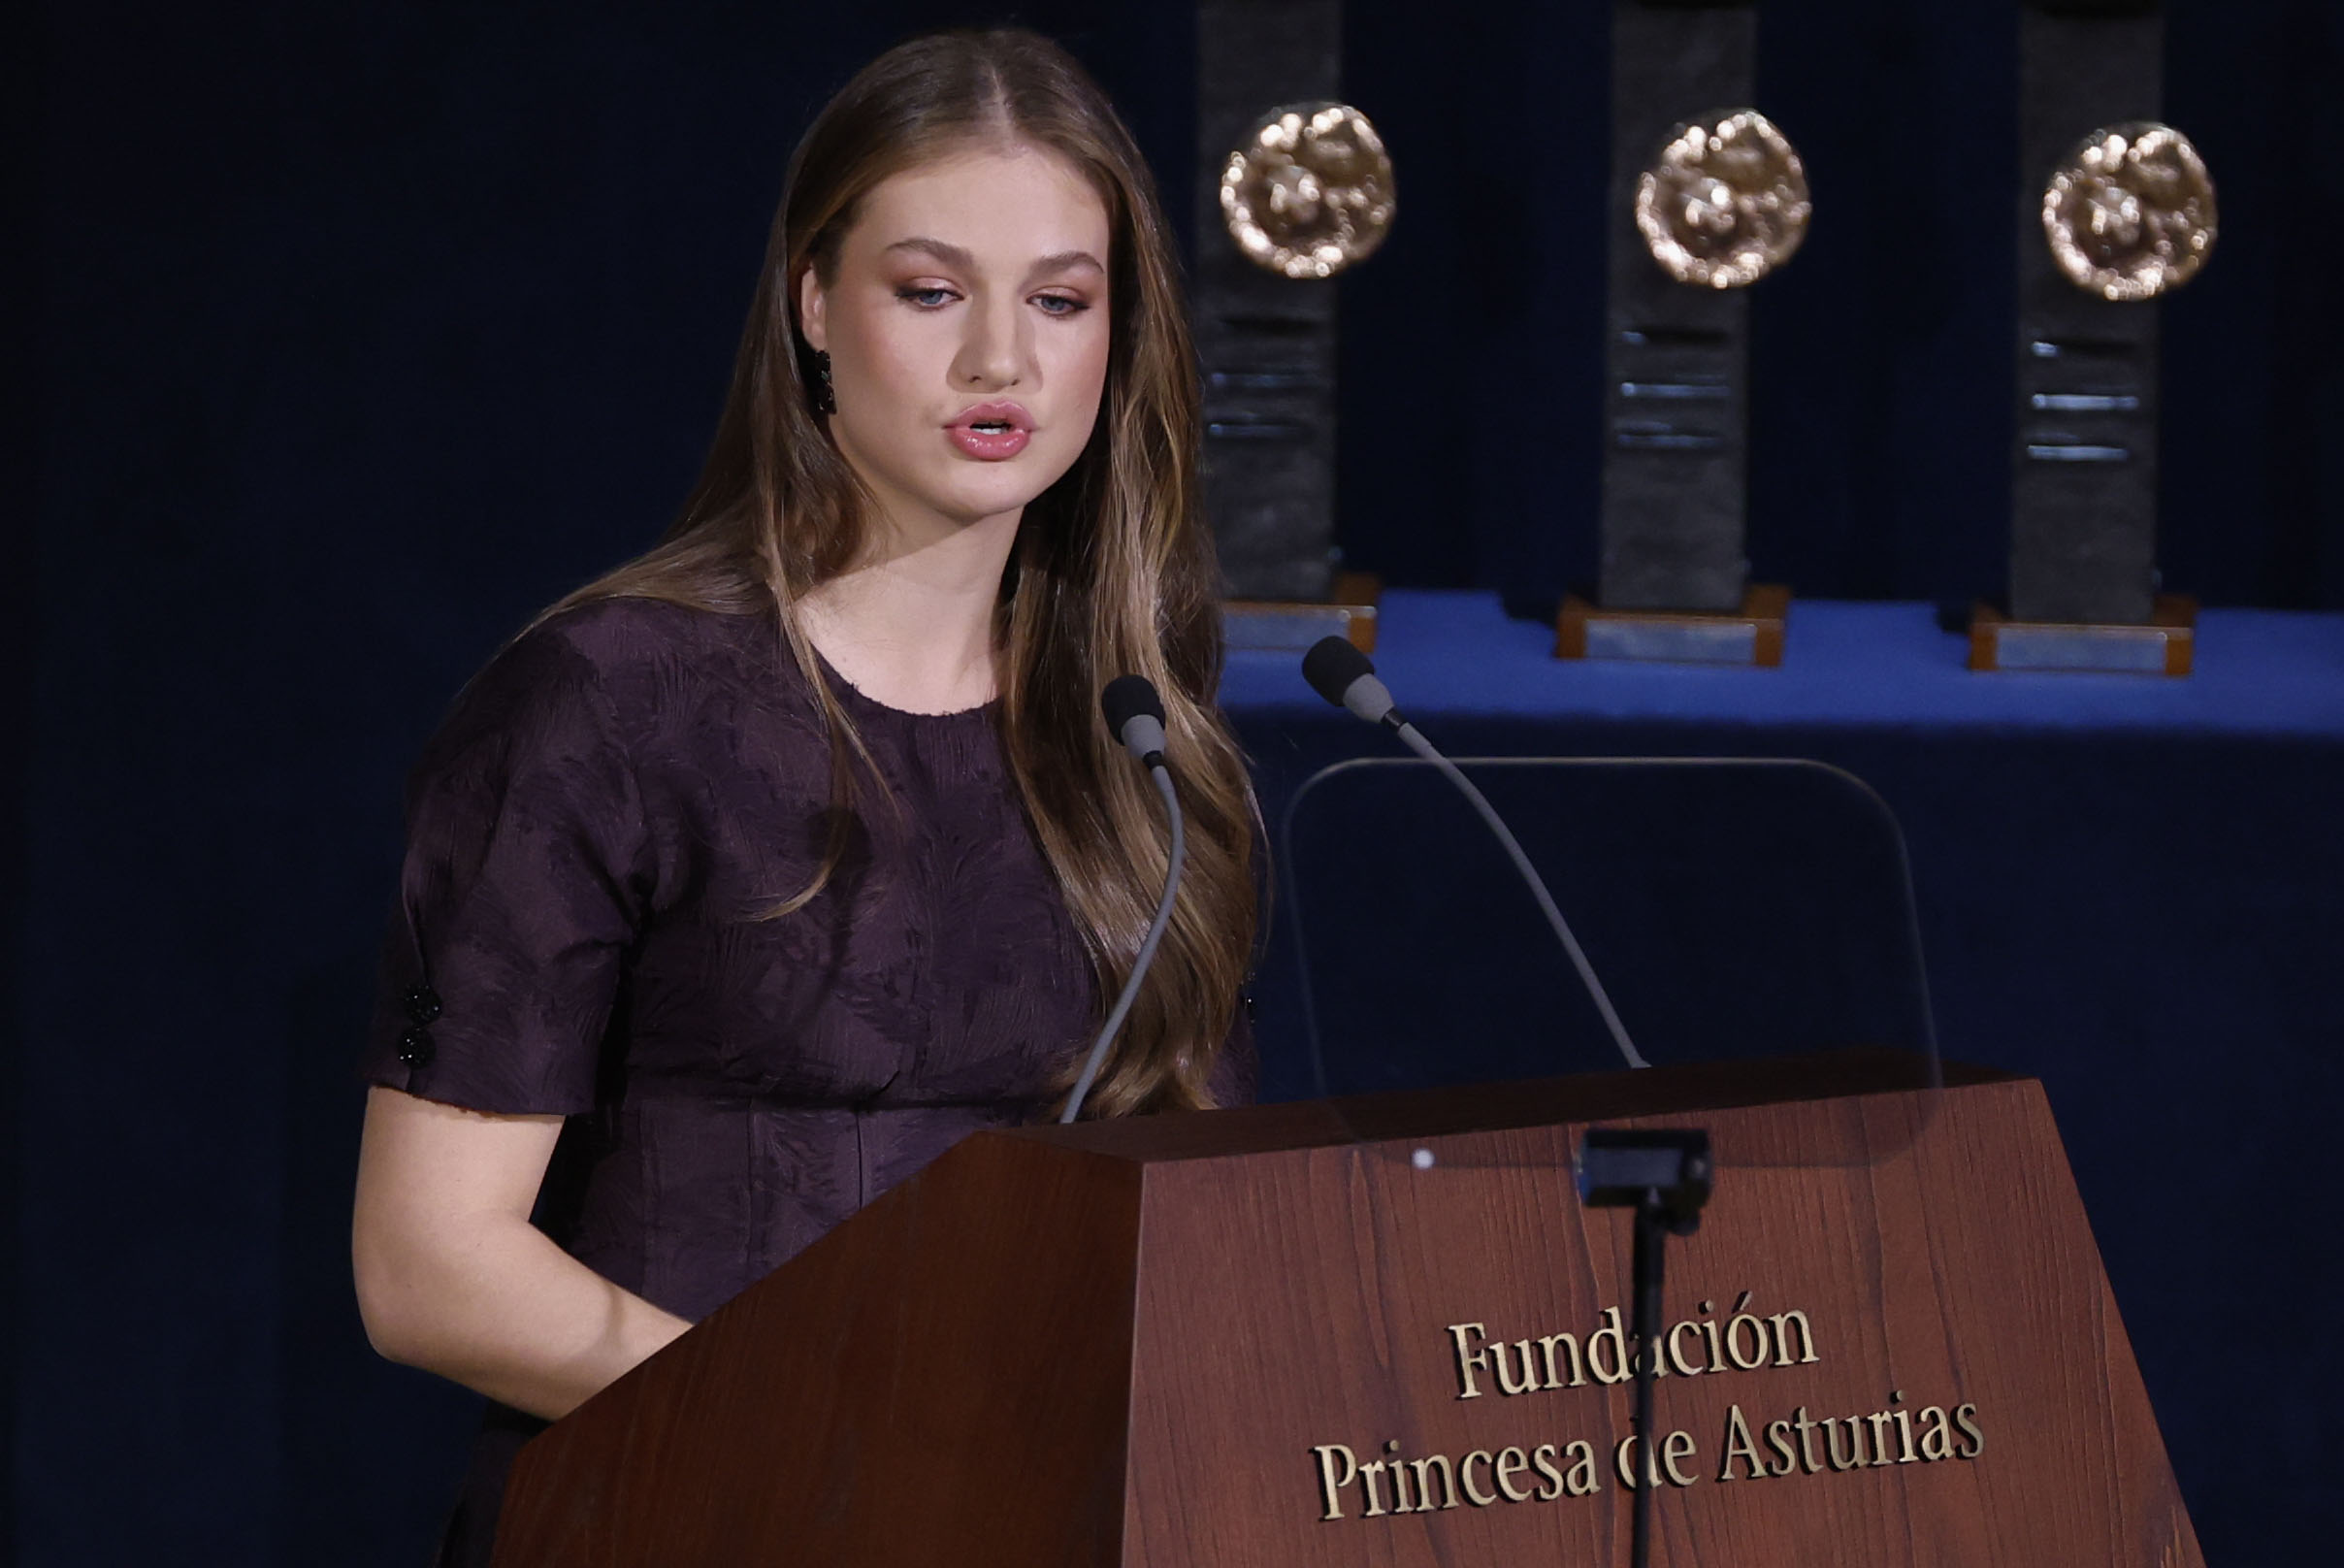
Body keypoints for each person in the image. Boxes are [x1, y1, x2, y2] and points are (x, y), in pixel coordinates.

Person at [348, 28, 1258, 1564]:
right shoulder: (603, 703)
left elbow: (1195, 1237)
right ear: (814, 304)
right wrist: (838, 1445)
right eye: (931, 291)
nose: (1001, 361)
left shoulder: (1138, 743)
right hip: (676, 1515)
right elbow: (428, 1270)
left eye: (1059, 300)